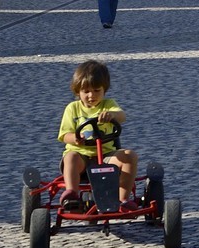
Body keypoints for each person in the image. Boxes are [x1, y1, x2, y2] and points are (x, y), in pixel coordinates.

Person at [57, 59, 139, 211]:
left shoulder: (108, 104)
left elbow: (122, 116)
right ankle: (72, 195)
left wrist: (111, 115)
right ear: (77, 91)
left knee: (130, 156)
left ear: (104, 90)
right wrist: (74, 139)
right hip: (82, 157)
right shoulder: (72, 108)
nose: (91, 95)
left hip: (107, 155)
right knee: (70, 157)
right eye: (86, 91)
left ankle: (122, 199)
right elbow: (64, 135)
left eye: (96, 91)